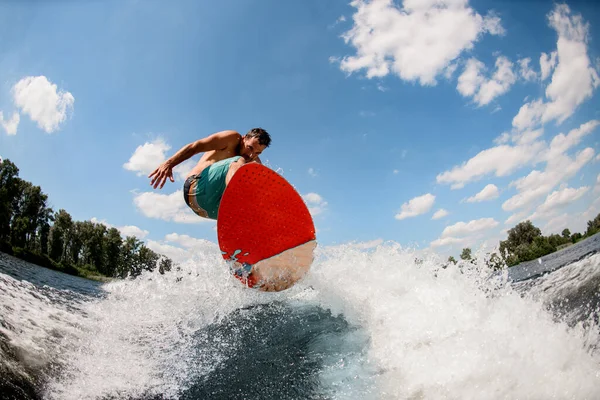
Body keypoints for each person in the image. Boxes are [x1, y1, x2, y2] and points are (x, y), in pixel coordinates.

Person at [148, 128, 271, 220]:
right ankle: (236, 200)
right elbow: (196, 146)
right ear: (244, 138)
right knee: (240, 161)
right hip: (196, 188)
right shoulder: (232, 139)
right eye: (249, 148)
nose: (251, 155)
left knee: (256, 196)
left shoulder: (254, 160)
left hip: (208, 210)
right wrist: (169, 163)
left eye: (257, 153)